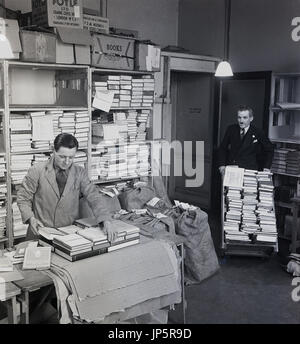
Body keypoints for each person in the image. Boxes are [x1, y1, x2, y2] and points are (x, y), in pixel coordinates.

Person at [17, 133, 118, 242]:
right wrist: (30, 218)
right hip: (40, 232)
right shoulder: (37, 170)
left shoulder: (80, 172)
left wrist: (106, 220)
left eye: (71, 157)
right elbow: (23, 198)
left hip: (68, 234)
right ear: (53, 151)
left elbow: (94, 197)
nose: (67, 162)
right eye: (62, 157)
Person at [218, 105, 274, 176]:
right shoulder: (231, 129)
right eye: (239, 117)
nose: (241, 121)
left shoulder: (258, 132)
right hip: (232, 169)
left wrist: (267, 167)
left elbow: (270, 149)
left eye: (245, 118)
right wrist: (221, 165)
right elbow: (222, 148)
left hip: (249, 171)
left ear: (251, 118)